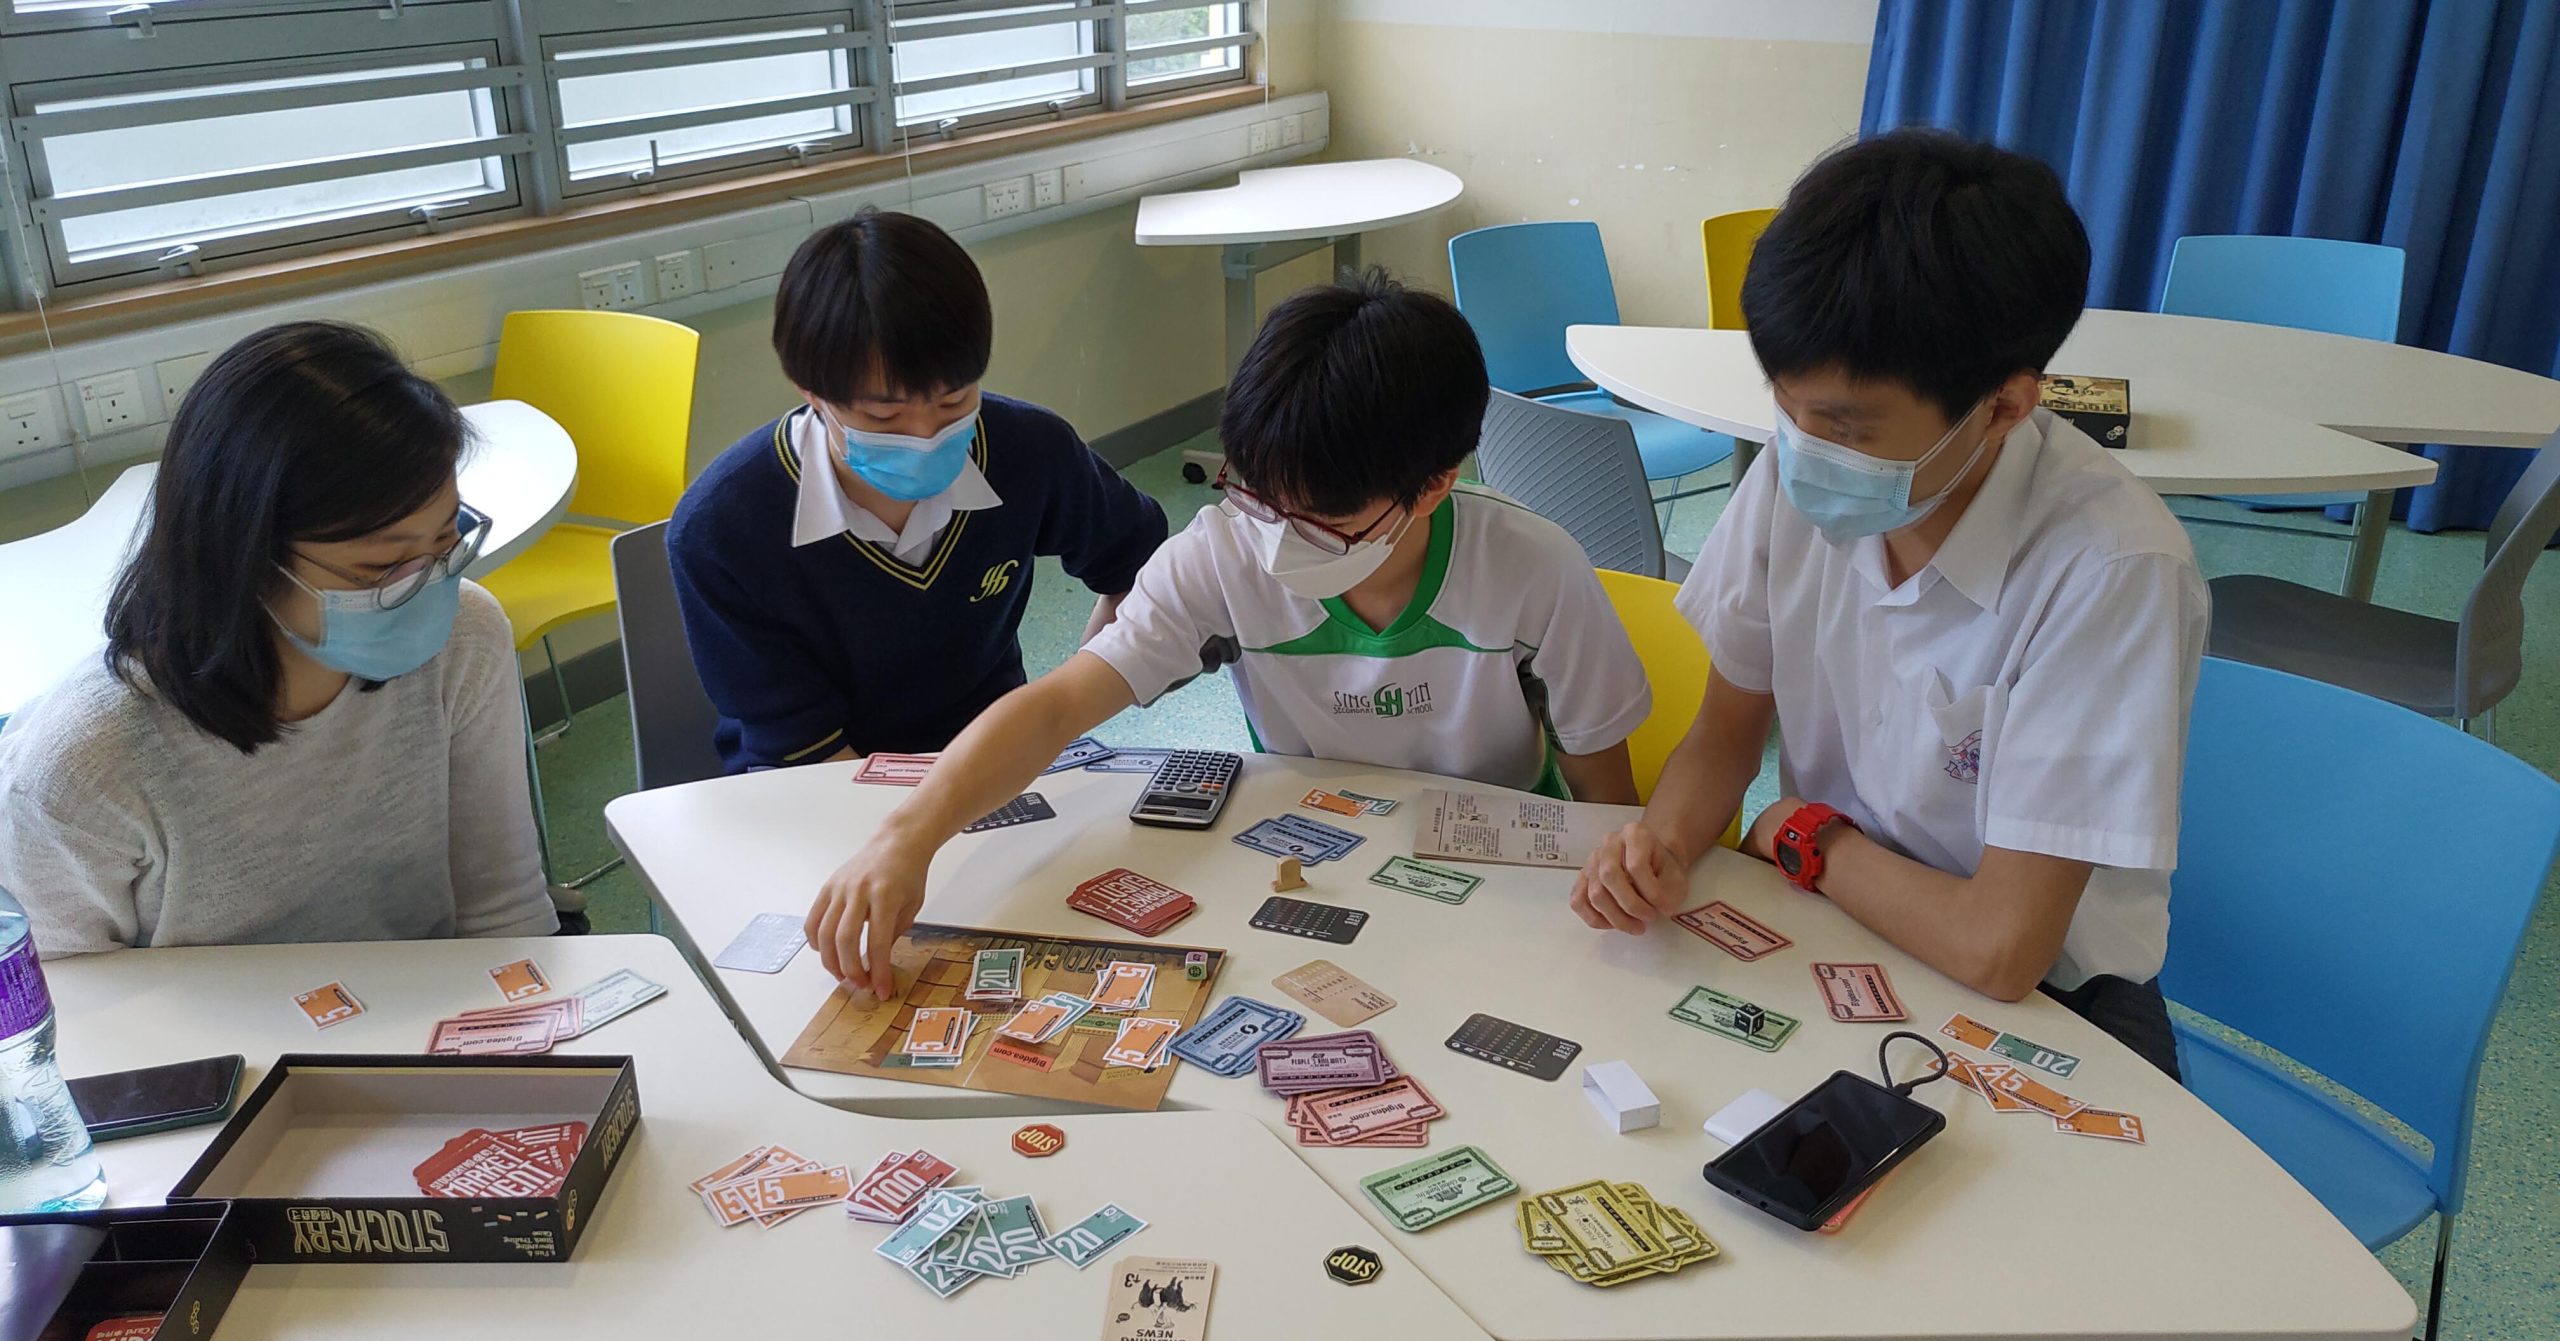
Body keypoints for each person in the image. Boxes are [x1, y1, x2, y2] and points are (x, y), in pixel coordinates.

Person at [805, 270, 1651, 993]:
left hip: (1497, 867)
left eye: (1323, 522)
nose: (1277, 538)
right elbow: (1060, 706)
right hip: (1320, 861)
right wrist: (908, 836)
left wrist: (1614, 885)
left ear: (1433, 485)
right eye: (1258, 493)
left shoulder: (1532, 568)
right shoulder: (1221, 554)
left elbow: (1604, 799)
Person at [1572, 129, 2208, 1080]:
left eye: (1845, 426)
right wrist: (1656, 845)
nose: (1800, 447)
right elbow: (1724, 738)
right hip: (1834, 923)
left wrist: (1805, 837)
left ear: (2005, 405)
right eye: (1786, 404)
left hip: (2054, 1005)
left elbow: (2001, 949)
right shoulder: (1796, 473)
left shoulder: (2111, 569)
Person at [0, 321, 555, 954]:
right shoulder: (81, 770)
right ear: (244, 556)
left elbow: (503, 906)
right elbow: (60, 994)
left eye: (448, 538)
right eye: (382, 567)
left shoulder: (466, 639)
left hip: (431, 1001)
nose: (430, 586)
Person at [668, 210, 1169, 772]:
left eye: (954, 401)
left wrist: (1066, 707)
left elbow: (1144, 567)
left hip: (986, 754)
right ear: (810, 390)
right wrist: (942, 808)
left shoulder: (1030, 449)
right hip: (814, 781)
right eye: (884, 416)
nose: (927, 434)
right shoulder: (723, 529)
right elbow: (801, 746)